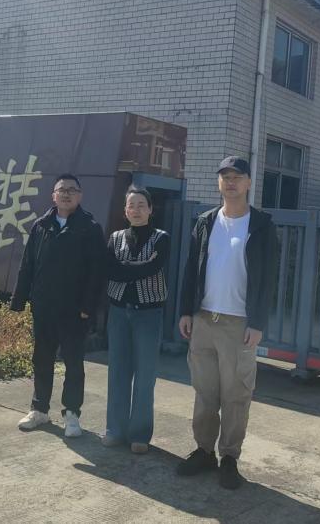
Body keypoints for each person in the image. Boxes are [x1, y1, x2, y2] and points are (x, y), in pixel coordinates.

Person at [175, 156, 279, 490]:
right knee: (205, 391)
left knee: (236, 394)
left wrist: (258, 322)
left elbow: (269, 278)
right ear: (219, 182)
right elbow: (191, 269)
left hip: (238, 324)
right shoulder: (205, 222)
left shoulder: (261, 226)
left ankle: (230, 457)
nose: (231, 182)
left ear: (248, 182)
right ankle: (204, 450)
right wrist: (186, 311)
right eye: (225, 176)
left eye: (237, 176)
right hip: (204, 319)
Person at [10, 173, 105, 437]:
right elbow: (28, 264)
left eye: (72, 190)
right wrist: (19, 300)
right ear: (53, 195)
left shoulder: (90, 228)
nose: (66, 194)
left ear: (80, 196)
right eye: (61, 189)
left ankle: (72, 414)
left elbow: (97, 272)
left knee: (73, 363)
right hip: (44, 306)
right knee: (42, 358)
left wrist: (88, 306)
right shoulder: (41, 226)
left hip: (75, 311)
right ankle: (39, 410)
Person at [102, 186, 171, 454]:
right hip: (118, 312)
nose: (137, 210)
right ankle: (115, 430)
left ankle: (139, 434)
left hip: (149, 314)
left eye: (142, 205)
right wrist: (136, 269)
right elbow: (109, 270)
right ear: (125, 211)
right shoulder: (115, 237)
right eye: (132, 205)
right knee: (117, 371)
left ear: (151, 209)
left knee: (145, 374)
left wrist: (124, 269)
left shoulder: (161, 238)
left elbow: (154, 267)